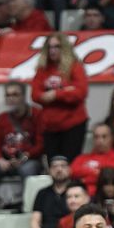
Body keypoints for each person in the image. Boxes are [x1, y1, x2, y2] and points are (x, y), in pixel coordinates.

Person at [0, 81, 44, 208]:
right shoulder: (1, 118)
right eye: (8, 95)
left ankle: (25, 203)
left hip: (27, 160)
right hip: (6, 162)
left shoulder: (36, 114)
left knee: (28, 170)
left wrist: (25, 157)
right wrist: (0, 160)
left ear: (23, 96)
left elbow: (41, 144)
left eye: (15, 94)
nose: (11, 98)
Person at [31, 32, 89, 162]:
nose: (52, 50)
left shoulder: (75, 67)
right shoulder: (42, 69)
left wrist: (55, 94)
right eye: (50, 47)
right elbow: (35, 95)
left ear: (64, 48)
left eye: (57, 46)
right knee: (53, 165)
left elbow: (80, 93)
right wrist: (66, 91)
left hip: (73, 125)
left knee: (70, 165)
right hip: (50, 127)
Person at [70, 123, 114, 195]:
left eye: (104, 137)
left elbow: (107, 178)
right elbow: (72, 172)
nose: (100, 140)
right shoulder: (81, 158)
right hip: (80, 196)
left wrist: (84, 179)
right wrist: (95, 173)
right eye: (96, 137)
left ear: (111, 138)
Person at [30, 155, 72, 228]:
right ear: (49, 171)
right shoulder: (42, 193)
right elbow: (34, 222)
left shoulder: (75, 191)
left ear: (69, 170)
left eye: (63, 166)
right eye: (55, 166)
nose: (59, 169)